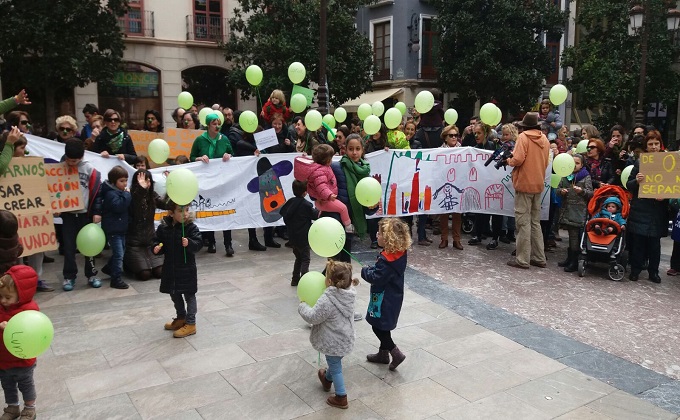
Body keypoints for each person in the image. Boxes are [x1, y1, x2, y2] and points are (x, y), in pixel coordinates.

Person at [298, 260, 358, 410]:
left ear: (329, 281)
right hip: (346, 338)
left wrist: (302, 306)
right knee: (335, 362)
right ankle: (326, 378)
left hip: (333, 341)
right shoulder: (349, 294)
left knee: (336, 367)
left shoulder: (327, 299)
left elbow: (313, 317)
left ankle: (341, 397)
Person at [362, 217, 410, 370]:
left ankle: (395, 353)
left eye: (380, 233)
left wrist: (365, 271)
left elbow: (377, 278)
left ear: (389, 239)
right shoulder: (398, 254)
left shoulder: (387, 261)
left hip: (383, 299)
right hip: (392, 296)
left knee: (378, 326)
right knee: (383, 325)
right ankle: (383, 354)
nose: (377, 234)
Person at [506, 112, 550, 269]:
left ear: (525, 126)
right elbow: (546, 162)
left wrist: (508, 160)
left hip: (524, 183)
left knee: (523, 222)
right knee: (535, 222)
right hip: (538, 183)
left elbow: (517, 159)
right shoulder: (544, 139)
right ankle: (539, 257)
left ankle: (522, 259)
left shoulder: (523, 138)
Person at [153, 200, 203, 338]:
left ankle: (191, 323)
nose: (185, 214)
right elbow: (157, 240)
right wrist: (157, 247)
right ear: (171, 213)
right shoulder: (164, 228)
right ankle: (181, 317)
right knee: (174, 293)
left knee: (189, 295)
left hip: (187, 269)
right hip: (171, 268)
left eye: (186, 210)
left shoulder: (191, 228)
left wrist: (190, 243)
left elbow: (198, 244)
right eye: (180, 211)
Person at [626, 131, 669, 283]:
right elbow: (628, 185)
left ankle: (654, 272)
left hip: (658, 210)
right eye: (650, 144)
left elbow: (673, 185)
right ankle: (635, 270)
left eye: (656, 144)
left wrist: (665, 196)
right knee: (638, 243)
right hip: (641, 208)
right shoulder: (639, 162)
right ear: (646, 146)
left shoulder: (669, 162)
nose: (654, 147)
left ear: (660, 144)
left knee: (654, 245)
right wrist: (637, 181)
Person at [60, 139, 102, 291]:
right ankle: (69, 276)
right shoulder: (60, 168)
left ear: (82, 157)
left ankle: (91, 274)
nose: (71, 163)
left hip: (85, 215)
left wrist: (97, 212)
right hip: (68, 215)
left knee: (89, 247)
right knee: (69, 248)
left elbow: (97, 193)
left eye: (74, 161)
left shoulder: (90, 169)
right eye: (69, 160)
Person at [189, 113, 234, 255]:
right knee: (210, 209)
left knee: (225, 209)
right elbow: (191, 157)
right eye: (214, 123)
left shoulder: (224, 139)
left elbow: (232, 153)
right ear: (208, 125)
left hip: (222, 180)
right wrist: (199, 158)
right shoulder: (200, 140)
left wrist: (229, 155)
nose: (217, 126)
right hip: (207, 181)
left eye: (218, 123)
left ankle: (228, 243)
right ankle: (211, 241)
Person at [0, 265, 40, 420]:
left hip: (22, 358)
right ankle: (12, 407)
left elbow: (32, 330)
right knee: (7, 385)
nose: (3, 300)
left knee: (26, 385)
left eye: (7, 297)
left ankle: (30, 408)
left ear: (21, 295)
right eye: (0, 296)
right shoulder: (1, 307)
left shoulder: (29, 309)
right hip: (3, 357)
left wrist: (11, 327)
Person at [302, 144, 355, 233]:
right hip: (326, 200)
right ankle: (348, 226)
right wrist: (329, 195)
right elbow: (321, 186)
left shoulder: (319, 168)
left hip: (321, 201)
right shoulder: (320, 171)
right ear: (327, 160)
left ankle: (319, 217)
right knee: (343, 208)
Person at [94, 166, 132, 289]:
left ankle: (109, 268)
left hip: (120, 228)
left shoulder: (118, 192)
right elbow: (119, 207)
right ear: (113, 181)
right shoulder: (111, 194)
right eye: (121, 181)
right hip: (113, 229)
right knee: (119, 254)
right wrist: (126, 195)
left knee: (120, 251)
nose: (125, 183)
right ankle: (116, 279)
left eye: (126, 180)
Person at [124, 170, 166, 280]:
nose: (146, 183)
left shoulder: (153, 195)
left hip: (150, 241)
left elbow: (167, 204)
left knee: (160, 273)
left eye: (148, 180)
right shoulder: (130, 195)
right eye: (143, 180)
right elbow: (137, 204)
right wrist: (141, 189)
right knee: (144, 275)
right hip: (134, 244)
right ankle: (127, 263)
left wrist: (171, 187)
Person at [557, 153, 593, 272]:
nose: (574, 166)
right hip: (567, 208)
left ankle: (574, 260)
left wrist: (582, 191)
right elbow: (557, 189)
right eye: (572, 163)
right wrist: (561, 191)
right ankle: (570, 258)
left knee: (575, 236)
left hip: (579, 210)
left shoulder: (585, 176)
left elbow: (590, 193)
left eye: (577, 163)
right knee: (571, 235)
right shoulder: (565, 175)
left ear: (582, 165)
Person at [280, 180, 318, 286]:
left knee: (298, 258)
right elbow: (315, 215)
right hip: (304, 237)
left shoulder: (290, 202)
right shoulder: (306, 205)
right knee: (305, 259)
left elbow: (283, 213)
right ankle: (304, 280)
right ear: (305, 192)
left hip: (292, 237)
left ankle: (295, 279)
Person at [437, 124, 464, 250]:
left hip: (458, 184)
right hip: (444, 184)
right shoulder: (439, 151)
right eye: (451, 135)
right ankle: (444, 239)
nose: (454, 138)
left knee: (457, 213)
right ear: (445, 137)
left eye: (456, 135)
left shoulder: (463, 151)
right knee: (444, 212)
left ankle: (457, 240)